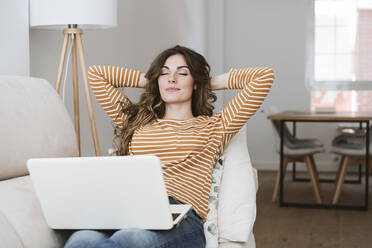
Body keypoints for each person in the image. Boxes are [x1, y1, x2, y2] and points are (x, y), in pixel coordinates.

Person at [64, 45, 274, 248]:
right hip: (129, 210)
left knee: (127, 240)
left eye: (182, 73)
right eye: (165, 73)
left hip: (181, 217)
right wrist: (154, 81)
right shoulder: (136, 121)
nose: (172, 78)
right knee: (82, 240)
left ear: (196, 83)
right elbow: (97, 75)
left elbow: (263, 77)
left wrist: (204, 81)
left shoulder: (216, 126)